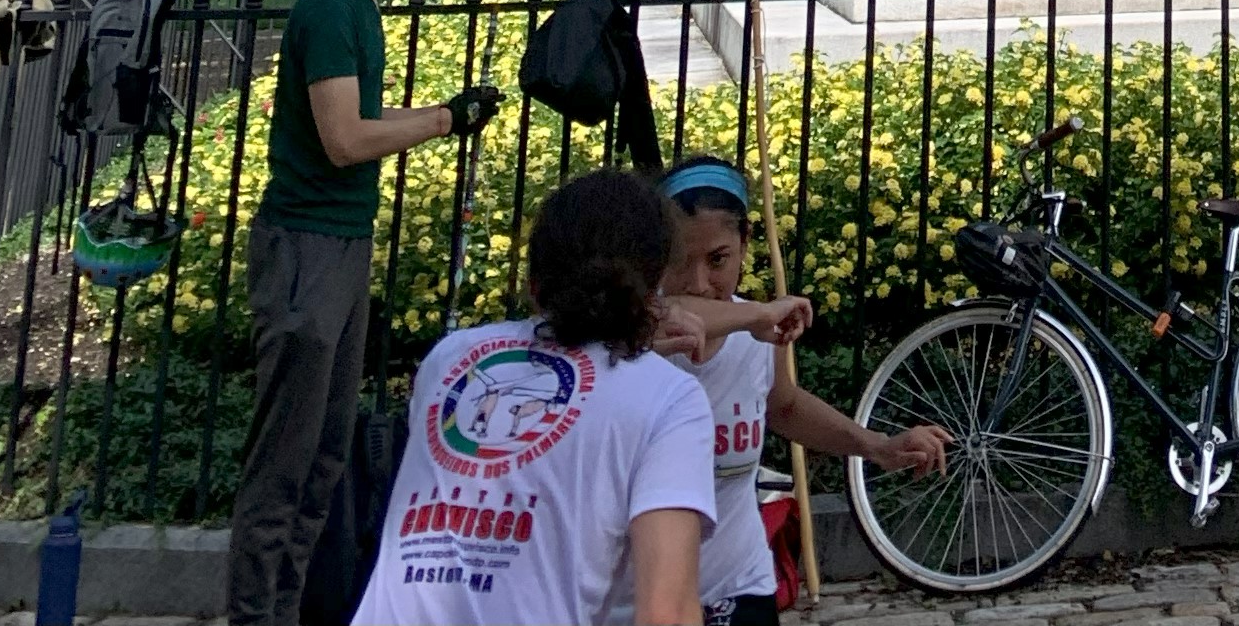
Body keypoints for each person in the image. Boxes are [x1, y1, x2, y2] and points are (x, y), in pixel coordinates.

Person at [227, 0, 501, 626]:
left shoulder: (359, 6)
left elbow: (363, 121)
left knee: (323, 459)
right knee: (284, 463)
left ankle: (289, 610)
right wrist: (441, 120)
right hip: (305, 249)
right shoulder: (332, 6)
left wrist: (447, 115)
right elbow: (344, 139)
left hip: (342, 246)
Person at [353, 168, 714, 626]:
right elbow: (668, 614)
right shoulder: (668, 400)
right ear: (657, 280)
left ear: (534, 276)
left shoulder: (449, 360)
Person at [655, 161, 944, 626]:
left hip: (738, 585)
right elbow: (671, 311)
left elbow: (783, 406)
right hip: (646, 596)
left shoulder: (756, 333)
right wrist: (757, 315)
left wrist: (878, 446)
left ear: (745, 243)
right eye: (678, 261)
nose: (700, 282)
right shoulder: (634, 330)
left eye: (718, 259)